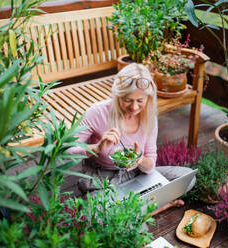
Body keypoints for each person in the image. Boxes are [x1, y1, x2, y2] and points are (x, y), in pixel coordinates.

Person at [68, 63, 196, 198]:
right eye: (127, 100)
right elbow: (67, 148)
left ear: (148, 98)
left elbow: (150, 164)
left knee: (187, 178)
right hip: (102, 178)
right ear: (117, 96)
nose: (134, 107)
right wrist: (97, 147)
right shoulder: (97, 112)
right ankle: (151, 205)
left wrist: (139, 160)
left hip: (136, 174)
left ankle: (133, 205)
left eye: (140, 100)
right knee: (93, 212)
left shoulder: (149, 117)